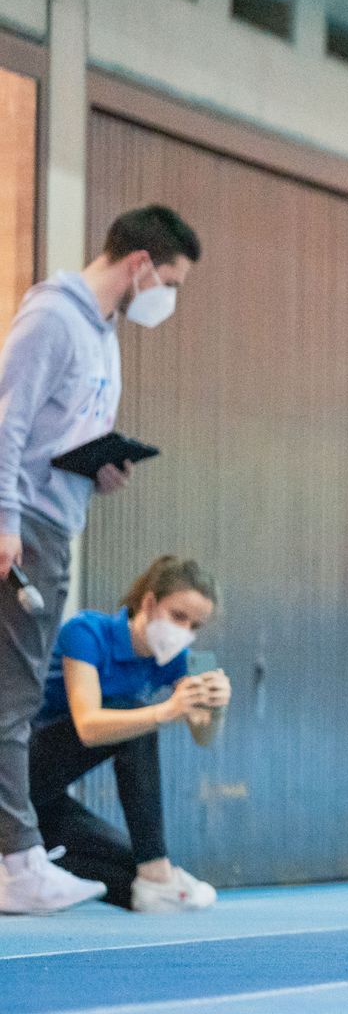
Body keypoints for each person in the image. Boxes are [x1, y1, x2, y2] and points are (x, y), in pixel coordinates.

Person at [0, 204, 201, 915]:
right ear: (142, 264)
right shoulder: (55, 316)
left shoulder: (104, 336)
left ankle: (19, 855)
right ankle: (17, 859)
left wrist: (99, 468)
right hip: (25, 525)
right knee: (15, 696)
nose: (168, 297)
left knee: (14, 694)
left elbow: (63, 431)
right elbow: (8, 417)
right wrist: (4, 519)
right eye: (170, 280)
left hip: (57, 519)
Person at [27, 556, 227, 911]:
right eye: (178, 617)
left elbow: (204, 737)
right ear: (149, 603)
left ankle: (149, 875)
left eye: (195, 626)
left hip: (43, 800)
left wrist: (218, 706)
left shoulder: (189, 659)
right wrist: (165, 711)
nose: (185, 632)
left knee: (129, 875)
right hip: (19, 771)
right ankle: (156, 869)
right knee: (135, 718)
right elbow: (88, 726)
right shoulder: (86, 631)